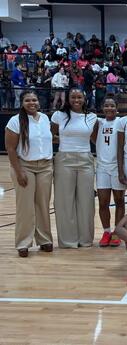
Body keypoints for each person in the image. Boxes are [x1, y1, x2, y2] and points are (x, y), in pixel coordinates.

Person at [5, 91, 53, 257]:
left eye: (34, 100)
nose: (31, 103)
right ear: (22, 102)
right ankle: (23, 243)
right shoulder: (15, 121)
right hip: (25, 166)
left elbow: (49, 139)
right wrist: (18, 171)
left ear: (38, 102)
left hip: (45, 166)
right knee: (25, 207)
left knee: (43, 205)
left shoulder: (45, 118)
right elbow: (10, 148)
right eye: (27, 100)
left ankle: (45, 240)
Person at [51, 88, 98, 248]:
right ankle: (68, 241)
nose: (76, 100)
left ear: (84, 98)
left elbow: (96, 139)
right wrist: (65, 141)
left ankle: (85, 239)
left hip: (86, 159)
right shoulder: (58, 115)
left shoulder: (92, 117)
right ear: (68, 98)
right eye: (73, 97)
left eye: (79, 97)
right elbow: (51, 136)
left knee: (87, 201)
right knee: (64, 202)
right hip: (64, 159)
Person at [91, 97, 125, 247]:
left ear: (116, 108)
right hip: (102, 167)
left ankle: (117, 232)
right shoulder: (98, 122)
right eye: (106, 105)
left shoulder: (121, 121)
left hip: (117, 166)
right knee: (103, 202)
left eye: (112, 105)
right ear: (103, 108)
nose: (109, 108)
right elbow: (93, 139)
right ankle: (106, 231)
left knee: (119, 201)